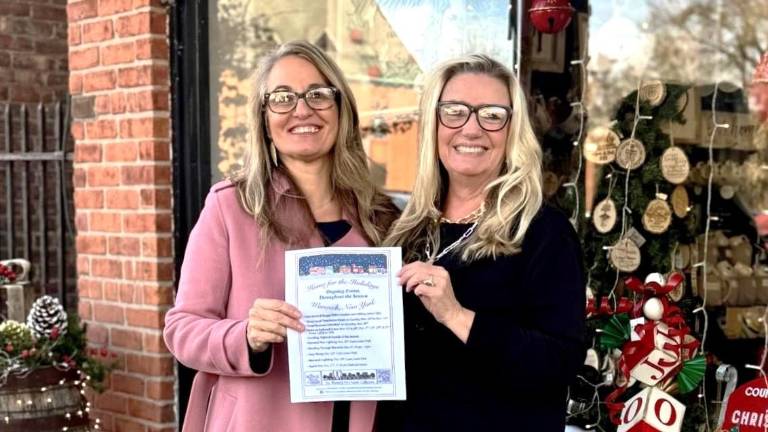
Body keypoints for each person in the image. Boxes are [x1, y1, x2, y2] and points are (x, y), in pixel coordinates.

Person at [163, 40, 398, 432]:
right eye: (283, 97)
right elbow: (182, 329)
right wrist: (245, 336)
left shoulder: (381, 216)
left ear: (341, 110)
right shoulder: (232, 207)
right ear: (265, 119)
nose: (302, 109)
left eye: (318, 95)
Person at [377, 54, 586, 431]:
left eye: (491, 115)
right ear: (434, 124)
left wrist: (457, 316)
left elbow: (560, 363)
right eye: (454, 111)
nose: (471, 129)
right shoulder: (407, 229)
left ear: (512, 131)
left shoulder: (541, 232)